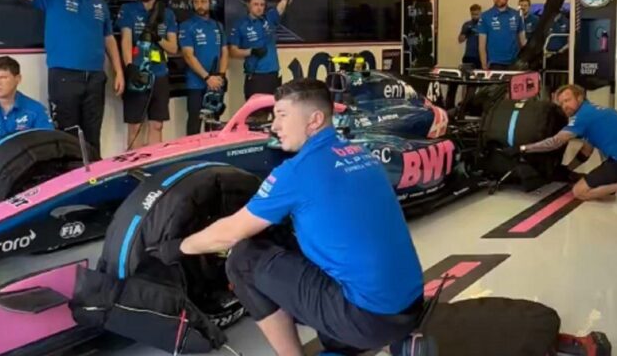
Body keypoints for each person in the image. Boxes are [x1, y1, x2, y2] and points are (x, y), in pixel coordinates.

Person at [153, 79, 426, 356]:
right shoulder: (363, 155)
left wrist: (176, 247)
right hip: (411, 305)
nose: (274, 126)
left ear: (315, 120)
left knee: (243, 258)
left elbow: (230, 233)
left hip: (366, 319)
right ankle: (388, 340)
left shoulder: (296, 172)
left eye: (282, 115)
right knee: (284, 238)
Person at [11, 0, 124, 157]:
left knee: (93, 133)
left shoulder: (99, 4)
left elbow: (108, 39)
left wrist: (119, 71)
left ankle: (95, 179)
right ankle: (69, 180)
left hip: (94, 77)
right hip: (64, 76)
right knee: (67, 134)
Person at [511, 84, 617, 207]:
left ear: (580, 97)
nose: (564, 106)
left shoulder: (582, 117)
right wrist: (568, 170)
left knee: (580, 192)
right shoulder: (591, 110)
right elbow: (586, 151)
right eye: (561, 103)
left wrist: (524, 148)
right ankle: (614, 183)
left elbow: (554, 142)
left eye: (567, 100)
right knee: (598, 181)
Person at [116, 0, 178, 149]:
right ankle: (135, 168)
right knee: (135, 126)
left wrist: (158, 38)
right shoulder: (128, 10)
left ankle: (155, 167)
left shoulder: (167, 14)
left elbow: (173, 48)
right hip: (137, 72)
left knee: (156, 125)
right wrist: (130, 67)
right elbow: (126, 40)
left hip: (160, 74)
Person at [0, 57, 53, 164]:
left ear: (18, 79)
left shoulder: (35, 109)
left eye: (3, 77)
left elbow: (48, 143)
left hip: (23, 169)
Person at [179, 0, 228, 135]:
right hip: (196, 84)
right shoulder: (186, 26)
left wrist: (221, 76)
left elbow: (224, 51)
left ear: (210, 3)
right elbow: (188, 55)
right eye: (196, 2)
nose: (199, 5)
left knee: (214, 122)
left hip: (216, 83)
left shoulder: (218, 26)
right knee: (195, 122)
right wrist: (207, 77)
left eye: (203, 1)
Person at [229, 0, 292, 100]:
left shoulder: (269, 18)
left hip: (273, 74)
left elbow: (283, 3)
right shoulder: (240, 25)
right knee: (255, 115)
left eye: (262, 5)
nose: (259, 8)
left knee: (274, 111)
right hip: (256, 76)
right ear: (248, 4)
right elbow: (233, 52)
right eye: (256, 4)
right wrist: (251, 51)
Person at [479, 0, 526, 70]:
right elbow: (482, 45)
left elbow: (523, 41)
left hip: (514, 63)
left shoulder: (517, 15)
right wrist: (484, 66)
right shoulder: (485, 16)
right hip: (495, 63)